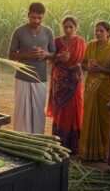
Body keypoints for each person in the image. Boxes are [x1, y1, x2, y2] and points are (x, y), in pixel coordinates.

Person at [9, 2, 55, 134]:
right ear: (28, 15)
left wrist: (45, 54)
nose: (36, 21)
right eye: (33, 17)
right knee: (21, 110)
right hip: (22, 77)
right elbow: (11, 55)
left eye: (39, 18)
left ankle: (37, 139)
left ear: (43, 17)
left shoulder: (48, 32)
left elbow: (54, 54)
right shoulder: (19, 32)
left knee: (39, 110)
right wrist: (27, 54)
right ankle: (21, 138)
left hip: (40, 78)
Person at [47, 16, 86, 153]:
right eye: (66, 27)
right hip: (59, 81)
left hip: (74, 81)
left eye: (71, 27)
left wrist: (72, 61)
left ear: (76, 28)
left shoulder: (80, 42)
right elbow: (50, 58)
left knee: (74, 109)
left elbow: (82, 61)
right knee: (60, 111)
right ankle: (59, 142)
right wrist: (59, 57)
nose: (68, 30)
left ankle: (73, 145)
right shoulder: (57, 41)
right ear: (62, 27)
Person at [79, 21, 110, 161]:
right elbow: (83, 63)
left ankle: (104, 152)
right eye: (97, 31)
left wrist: (100, 69)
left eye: (101, 31)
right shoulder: (90, 45)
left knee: (105, 118)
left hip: (105, 87)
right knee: (88, 115)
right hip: (90, 85)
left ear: (108, 33)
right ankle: (87, 151)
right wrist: (87, 67)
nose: (98, 33)